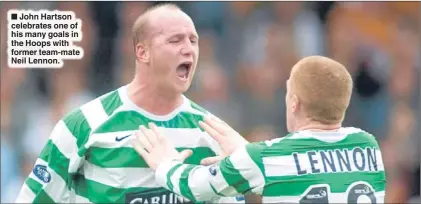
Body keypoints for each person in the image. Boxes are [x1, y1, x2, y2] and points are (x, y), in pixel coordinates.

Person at [15, 3, 244, 203]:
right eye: (175, 40)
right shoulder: (84, 124)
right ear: (142, 52)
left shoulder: (214, 134)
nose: (188, 49)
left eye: (193, 40)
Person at [132, 56, 387, 203]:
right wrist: (247, 154)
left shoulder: (265, 157)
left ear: (295, 102)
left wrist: (165, 163)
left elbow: (196, 187)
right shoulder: (368, 145)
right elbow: (313, 171)